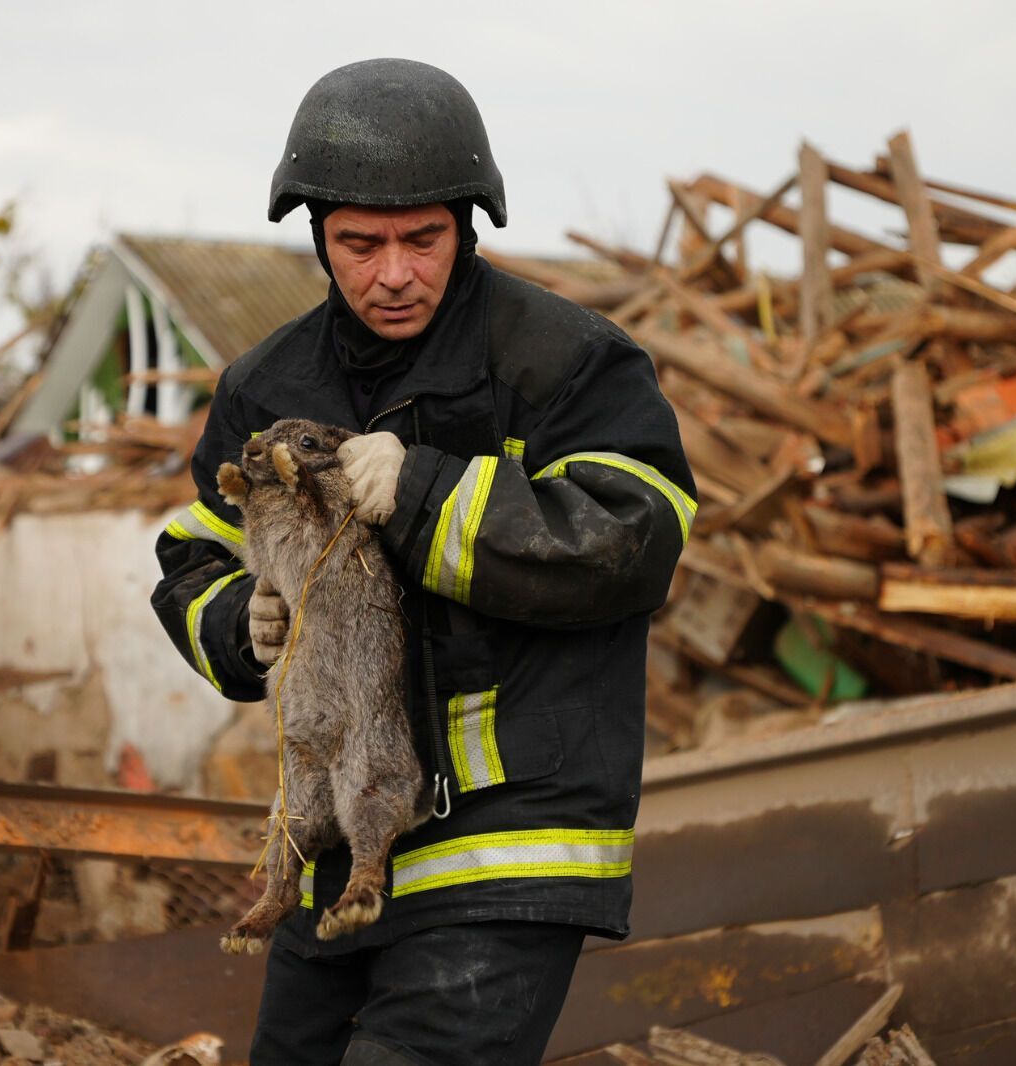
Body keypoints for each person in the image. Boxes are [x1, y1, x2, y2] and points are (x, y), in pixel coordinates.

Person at [152, 58, 696, 1066]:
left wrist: (428, 492)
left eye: (421, 240)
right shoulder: (267, 383)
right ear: (317, 231)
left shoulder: (564, 361)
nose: (391, 272)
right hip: (341, 856)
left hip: (505, 845)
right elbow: (191, 554)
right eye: (359, 243)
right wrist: (239, 619)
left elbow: (634, 539)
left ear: (468, 223)